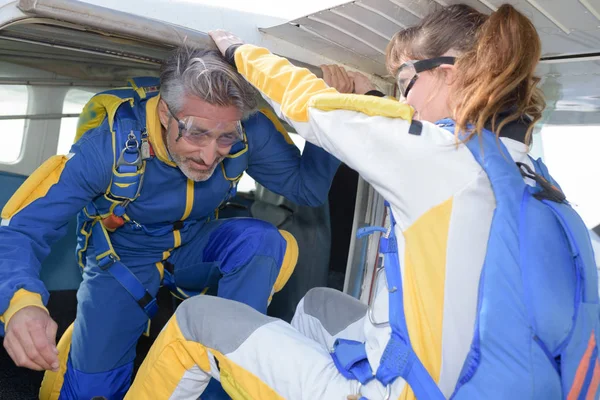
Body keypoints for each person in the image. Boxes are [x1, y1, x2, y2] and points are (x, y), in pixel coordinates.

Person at [126, 4, 600, 400]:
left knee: (193, 322)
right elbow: (396, 129)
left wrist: (235, 49)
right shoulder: (529, 174)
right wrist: (371, 93)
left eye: (406, 82)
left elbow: (312, 106)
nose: (401, 100)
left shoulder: (442, 157)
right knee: (315, 307)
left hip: (402, 392)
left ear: (449, 75)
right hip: (466, 381)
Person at [0, 47, 341, 399]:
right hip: (122, 260)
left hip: (196, 246)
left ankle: (230, 367)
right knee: (91, 393)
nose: (209, 155)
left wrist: (329, 109)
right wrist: (20, 303)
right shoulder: (109, 145)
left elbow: (307, 187)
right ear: (165, 113)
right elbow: (20, 229)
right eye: (195, 133)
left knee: (263, 241)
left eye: (225, 138)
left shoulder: (246, 127)